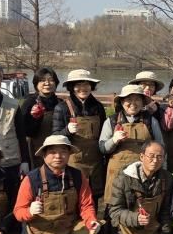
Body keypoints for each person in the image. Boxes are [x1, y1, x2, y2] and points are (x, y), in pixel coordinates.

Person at [14, 135, 101, 234]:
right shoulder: (31, 179)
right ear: (44, 155)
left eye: (63, 152)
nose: (58, 156)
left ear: (69, 154)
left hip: (68, 230)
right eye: (53, 152)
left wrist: (91, 221)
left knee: (98, 229)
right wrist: (29, 211)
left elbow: (86, 205)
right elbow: (18, 211)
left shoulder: (77, 176)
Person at [108, 140, 173, 234]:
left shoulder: (166, 178)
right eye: (151, 156)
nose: (155, 160)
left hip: (152, 231)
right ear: (142, 156)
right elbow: (114, 210)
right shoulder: (123, 178)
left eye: (159, 157)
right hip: (128, 231)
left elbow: (165, 212)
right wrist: (135, 218)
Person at [99, 84, 164, 212]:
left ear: (142, 102)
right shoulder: (111, 121)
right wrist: (113, 140)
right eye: (129, 99)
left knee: (140, 208)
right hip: (117, 172)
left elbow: (160, 146)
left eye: (137, 99)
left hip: (142, 172)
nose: (133, 103)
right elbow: (102, 148)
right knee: (114, 208)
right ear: (122, 102)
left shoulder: (151, 121)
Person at [52, 69, 107, 202]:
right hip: (74, 162)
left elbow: (103, 134)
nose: (83, 88)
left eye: (86, 84)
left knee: (94, 197)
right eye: (78, 85)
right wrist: (67, 131)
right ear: (71, 87)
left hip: (95, 162)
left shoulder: (98, 107)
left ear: (91, 86)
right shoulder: (62, 108)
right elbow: (55, 137)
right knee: (75, 197)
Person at [19, 67, 61, 167]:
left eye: (51, 80)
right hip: (35, 149)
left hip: (57, 149)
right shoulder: (29, 103)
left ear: (56, 83)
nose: (47, 83)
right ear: (36, 84)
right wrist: (35, 118)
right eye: (42, 80)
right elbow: (22, 130)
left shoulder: (60, 103)